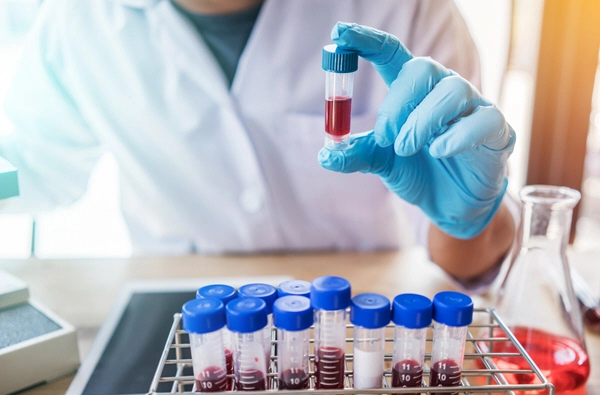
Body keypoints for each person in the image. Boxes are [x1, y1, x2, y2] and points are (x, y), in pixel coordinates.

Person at [0, 0, 515, 286]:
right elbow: (40, 170)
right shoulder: (77, 21)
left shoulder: (409, 10)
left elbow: (469, 262)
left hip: (362, 315)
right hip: (180, 326)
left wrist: (469, 220)